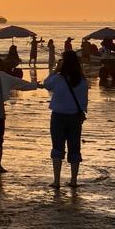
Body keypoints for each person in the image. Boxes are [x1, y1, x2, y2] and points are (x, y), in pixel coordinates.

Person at [42, 49, 89, 188]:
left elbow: (46, 84)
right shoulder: (81, 80)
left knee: (57, 147)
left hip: (58, 115)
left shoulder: (58, 79)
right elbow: (84, 100)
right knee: (74, 148)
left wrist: (56, 70)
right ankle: (74, 180)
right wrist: (81, 112)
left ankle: (56, 181)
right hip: (74, 116)